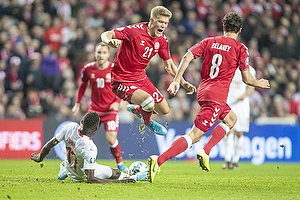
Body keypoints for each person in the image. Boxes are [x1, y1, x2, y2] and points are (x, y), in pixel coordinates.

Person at [147, 12, 270, 183]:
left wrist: (177, 80)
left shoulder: (209, 41)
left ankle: (206, 151)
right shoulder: (241, 48)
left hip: (204, 91)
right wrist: (258, 83)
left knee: (231, 119)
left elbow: (187, 56)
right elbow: (246, 79)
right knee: (194, 135)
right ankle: (158, 161)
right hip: (217, 96)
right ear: (240, 30)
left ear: (223, 26)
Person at [101, 6, 196, 136]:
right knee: (149, 102)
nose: (163, 26)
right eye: (161, 22)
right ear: (151, 20)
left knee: (164, 109)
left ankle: (138, 110)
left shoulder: (162, 40)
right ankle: (148, 122)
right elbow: (106, 34)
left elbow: (169, 65)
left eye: (166, 23)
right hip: (121, 80)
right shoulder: (134, 31)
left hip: (141, 79)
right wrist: (109, 41)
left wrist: (182, 82)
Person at [31, 111, 146, 183]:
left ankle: (65, 169)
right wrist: (117, 183)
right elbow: (90, 179)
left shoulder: (70, 127)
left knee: (71, 158)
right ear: (96, 129)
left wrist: (40, 157)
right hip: (79, 177)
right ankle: (135, 177)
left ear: (82, 121)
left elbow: (51, 144)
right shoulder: (90, 147)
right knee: (115, 173)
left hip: (70, 166)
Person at [72, 42, 128, 172]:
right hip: (94, 110)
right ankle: (72, 165)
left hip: (110, 111)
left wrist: (117, 102)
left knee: (111, 139)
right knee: (81, 138)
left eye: (104, 53)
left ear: (109, 54)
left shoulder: (114, 69)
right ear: (95, 54)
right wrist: (77, 103)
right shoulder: (88, 69)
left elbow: (122, 87)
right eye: (99, 52)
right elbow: (83, 85)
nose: (101, 55)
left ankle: (119, 163)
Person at [222, 66, 256, 170]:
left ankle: (235, 161)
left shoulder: (250, 70)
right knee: (229, 130)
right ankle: (227, 160)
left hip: (242, 104)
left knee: (240, 132)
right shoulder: (228, 67)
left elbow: (252, 87)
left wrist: (245, 96)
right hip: (230, 102)